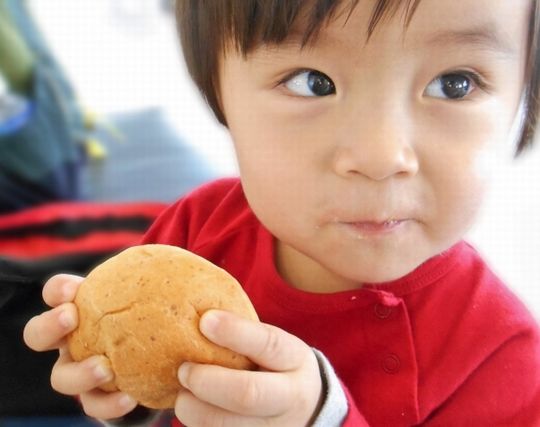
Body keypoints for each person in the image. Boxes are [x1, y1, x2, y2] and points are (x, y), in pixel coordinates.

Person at [23, 0, 540, 425]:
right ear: (220, 97)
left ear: (524, 102)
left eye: (455, 83)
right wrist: (111, 391)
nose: (381, 157)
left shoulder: (506, 361)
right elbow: (151, 388)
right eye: (312, 81)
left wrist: (320, 418)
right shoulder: (194, 230)